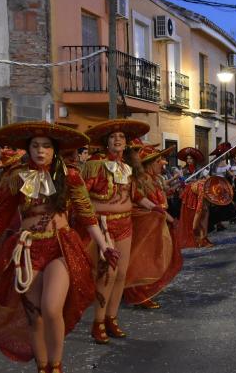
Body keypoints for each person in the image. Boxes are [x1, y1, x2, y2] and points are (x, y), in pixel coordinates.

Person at [0, 122, 117, 373]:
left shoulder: (69, 175)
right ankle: (43, 367)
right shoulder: (16, 177)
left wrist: (104, 245)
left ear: (54, 150)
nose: (41, 151)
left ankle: (57, 365)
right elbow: (1, 218)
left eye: (46, 146)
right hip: (28, 250)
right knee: (34, 316)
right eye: (35, 146)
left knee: (51, 308)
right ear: (28, 149)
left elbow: (86, 214)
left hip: (60, 246)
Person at [81, 119, 155, 345]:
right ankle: (98, 322)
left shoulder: (127, 168)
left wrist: (155, 207)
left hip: (125, 224)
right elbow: (81, 197)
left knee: (121, 274)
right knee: (107, 275)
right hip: (104, 225)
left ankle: (112, 318)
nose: (118, 140)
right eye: (113, 137)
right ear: (106, 142)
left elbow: (134, 196)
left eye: (121, 137)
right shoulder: (95, 165)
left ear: (126, 143)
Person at [123, 145, 182, 309]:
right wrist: (163, 215)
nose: (163, 163)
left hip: (156, 222)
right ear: (149, 164)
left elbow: (158, 201)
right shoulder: (140, 180)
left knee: (152, 257)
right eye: (158, 161)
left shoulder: (154, 179)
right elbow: (142, 201)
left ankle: (143, 290)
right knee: (142, 258)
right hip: (144, 223)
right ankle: (138, 293)